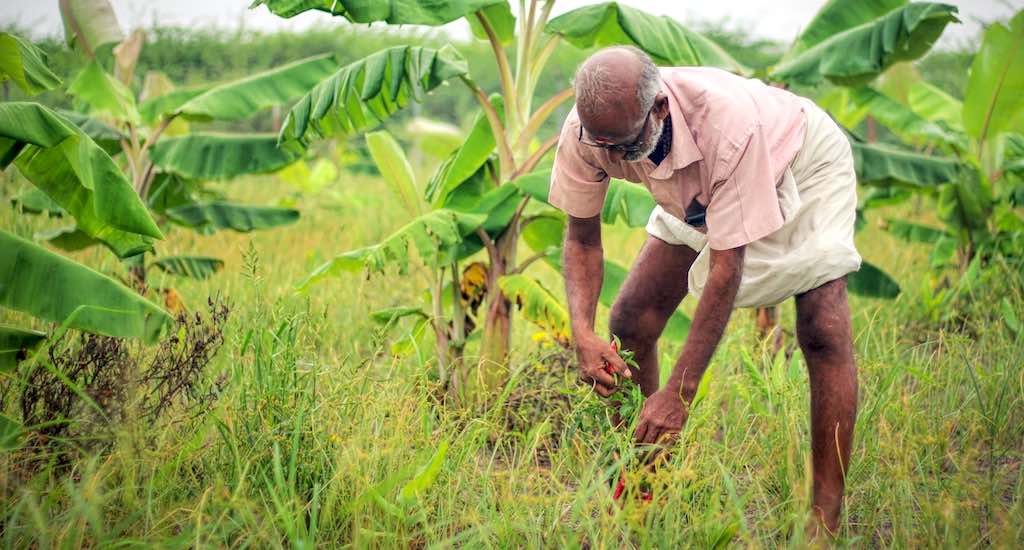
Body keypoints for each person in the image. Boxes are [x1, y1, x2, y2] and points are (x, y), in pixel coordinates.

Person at [551, 46, 861, 535]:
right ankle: (644, 482)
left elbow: (725, 270)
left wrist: (679, 391)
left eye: (623, 146)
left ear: (658, 109)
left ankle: (824, 516)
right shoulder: (589, 131)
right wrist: (581, 331)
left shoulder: (727, 126)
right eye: (601, 144)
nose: (609, 157)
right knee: (630, 319)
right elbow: (581, 238)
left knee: (822, 326)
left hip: (799, 162)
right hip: (694, 187)